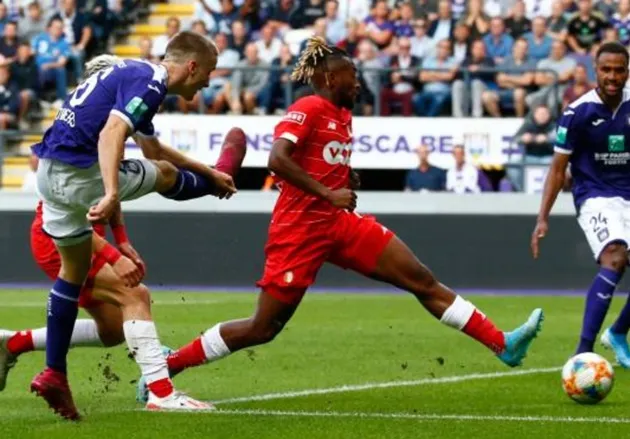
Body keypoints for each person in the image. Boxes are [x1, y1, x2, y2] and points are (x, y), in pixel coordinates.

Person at [136, 37, 545, 402]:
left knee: (420, 279)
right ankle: (168, 367)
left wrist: (342, 179)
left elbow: (317, 161)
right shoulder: (308, 106)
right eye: (353, 77)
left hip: (341, 223)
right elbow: (278, 159)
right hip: (300, 230)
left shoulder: (343, 116)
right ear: (331, 80)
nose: (359, 84)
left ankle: (502, 343)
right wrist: (329, 191)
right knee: (263, 328)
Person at [29, 33, 236, 420]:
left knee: (71, 276)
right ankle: (161, 392)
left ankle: (54, 371)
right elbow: (111, 135)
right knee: (165, 176)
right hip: (80, 176)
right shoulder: (152, 82)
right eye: (207, 72)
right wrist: (109, 193)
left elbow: (152, 151)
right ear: (191, 66)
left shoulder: (133, 74)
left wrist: (208, 171)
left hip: (49, 176)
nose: (208, 81)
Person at [0, 124, 246, 397]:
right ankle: (160, 391)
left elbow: (113, 188)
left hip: (81, 233)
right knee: (135, 295)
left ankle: (13, 343)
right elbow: (70, 222)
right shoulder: (87, 130)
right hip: (59, 237)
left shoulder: (114, 122)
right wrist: (113, 256)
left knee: (114, 329)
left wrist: (122, 238)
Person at [531, 42, 630, 366]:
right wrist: (542, 218)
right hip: (595, 197)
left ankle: (617, 333)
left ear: (627, 71)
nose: (612, 76)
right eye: (606, 69)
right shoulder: (577, 113)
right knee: (614, 258)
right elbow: (558, 169)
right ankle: (582, 353)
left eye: (619, 69)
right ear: (595, 71)